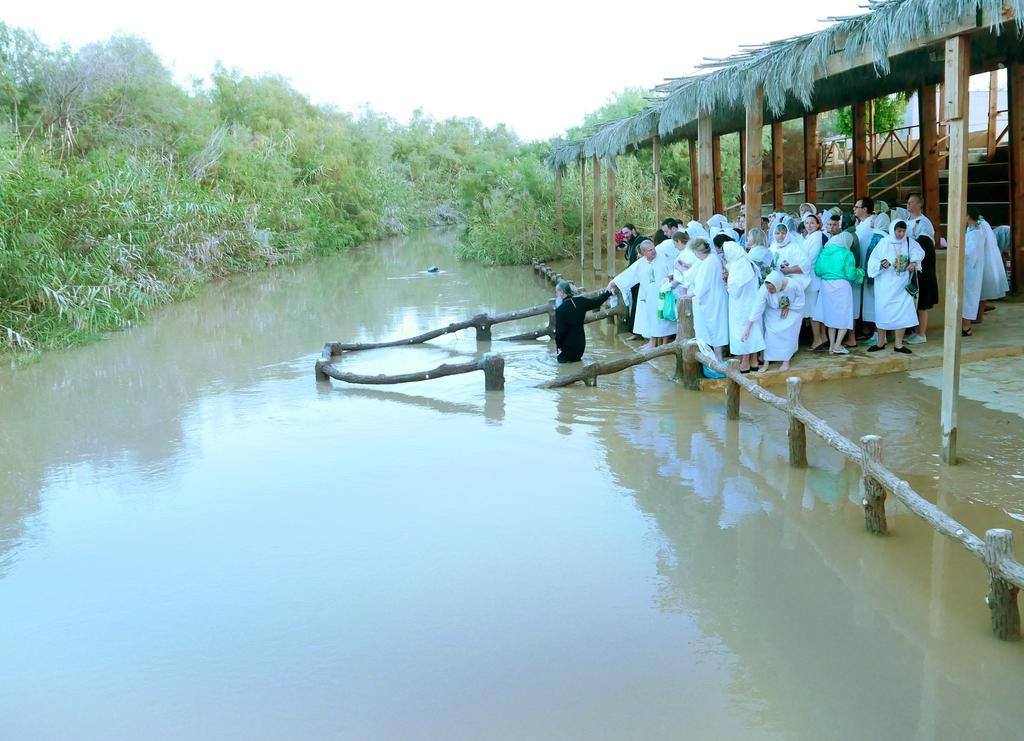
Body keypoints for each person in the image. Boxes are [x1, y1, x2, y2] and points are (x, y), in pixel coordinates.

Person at [867, 219, 924, 354]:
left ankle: (898, 344)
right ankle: (880, 342)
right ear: (893, 230)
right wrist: (881, 264)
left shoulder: (909, 242)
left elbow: (919, 253)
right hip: (885, 285)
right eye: (898, 231)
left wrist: (914, 262)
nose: (901, 234)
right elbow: (873, 261)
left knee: (902, 314)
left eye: (903, 231)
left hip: (902, 285)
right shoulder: (884, 242)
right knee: (882, 313)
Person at [609, 240, 676, 349]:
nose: (653, 251)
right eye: (650, 250)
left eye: (653, 248)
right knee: (652, 317)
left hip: (664, 294)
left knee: (665, 318)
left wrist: (670, 277)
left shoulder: (664, 257)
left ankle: (664, 344)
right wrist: (613, 283)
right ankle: (653, 342)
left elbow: (673, 270)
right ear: (644, 252)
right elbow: (628, 275)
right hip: (650, 295)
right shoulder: (641, 263)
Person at [743, 270, 804, 374]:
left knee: (789, 334)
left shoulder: (793, 284)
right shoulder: (764, 290)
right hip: (773, 312)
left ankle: (786, 361)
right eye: (768, 289)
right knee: (770, 336)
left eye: (772, 289)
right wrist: (748, 327)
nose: (770, 291)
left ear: (778, 284)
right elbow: (757, 308)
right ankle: (766, 363)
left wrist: (789, 306)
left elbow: (801, 299)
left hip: (792, 311)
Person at [813, 232, 864, 355]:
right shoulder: (847, 253)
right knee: (844, 316)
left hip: (826, 286)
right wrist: (860, 272)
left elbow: (818, 270)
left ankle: (831, 346)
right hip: (842, 286)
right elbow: (851, 275)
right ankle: (838, 345)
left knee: (831, 317)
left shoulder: (824, 252)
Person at [722, 241, 765, 372]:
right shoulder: (747, 261)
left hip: (740, 304)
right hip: (752, 301)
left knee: (742, 332)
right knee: (752, 330)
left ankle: (745, 363)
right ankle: (754, 362)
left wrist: (726, 284)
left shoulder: (738, 266)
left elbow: (734, 289)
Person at [903, 194, 938, 345]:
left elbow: (925, 245)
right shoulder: (906, 221)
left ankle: (922, 333)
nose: (908, 205)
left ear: (919, 205)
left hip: (922, 268)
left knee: (923, 302)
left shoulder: (924, 222)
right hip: (910, 268)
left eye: (911, 203)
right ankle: (915, 331)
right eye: (908, 203)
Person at [688, 237, 730, 361]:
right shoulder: (712, 258)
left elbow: (702, 285)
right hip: (715, 296)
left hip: (712, 299)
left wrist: (692, 294)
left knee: (715, 328)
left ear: (698, 252)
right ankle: (716, 357)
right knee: (715, 327)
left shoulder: (708, 262)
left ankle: (717, 359)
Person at [554, 280, 610, 363]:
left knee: (561, 364)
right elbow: (597, 302)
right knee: (576, 362)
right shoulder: (581, 301)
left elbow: (560, 332)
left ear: (562, 293)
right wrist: (608, 293)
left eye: (557, 292)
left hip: (568, 347)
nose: (556, 295)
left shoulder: (560, 310)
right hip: (581, 346)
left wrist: (558, 345)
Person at [801, 213, 828, 352]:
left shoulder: (816, 238)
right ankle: (822, 337)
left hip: (812, 277)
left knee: (813, 311)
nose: (809, 225)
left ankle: (817, 339)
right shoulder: (809, 237)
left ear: (818, 224)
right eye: (806, 223)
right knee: (816, 310)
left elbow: (809, 259)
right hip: (810, 277)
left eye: (812, 223)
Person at [977, 211, 1009, 315]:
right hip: (993, 249)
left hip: (991, 251)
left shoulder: (981, 226)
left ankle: (980, 310)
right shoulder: (982, 226)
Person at [962, 208, 985, 336]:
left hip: (972, 269)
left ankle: (967, 326)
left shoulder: (976, 232)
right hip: (970, 268)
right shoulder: (972, 230)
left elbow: (969, 253)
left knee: (969, 297)